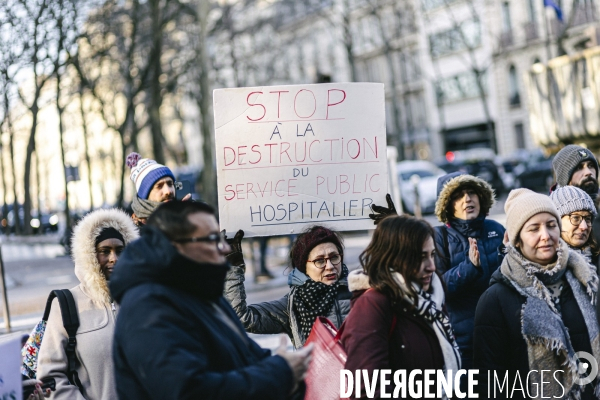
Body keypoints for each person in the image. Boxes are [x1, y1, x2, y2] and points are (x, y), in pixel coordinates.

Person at [110, 201, 312, 399]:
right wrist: (279, 373)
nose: (225, 248)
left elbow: (248, 357)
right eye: (214, 238)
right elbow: (188, 391)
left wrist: (292, 375)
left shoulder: (206, 295)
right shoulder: (146, 307)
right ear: (177, 247)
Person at [474, 188, 600, 399]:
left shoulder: (586, 280)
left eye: (551, 226)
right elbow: (490, 383)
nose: (546, 235)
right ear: (517, 239)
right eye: (534, 229)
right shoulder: (495, 300)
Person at [341, 215, 461, 398]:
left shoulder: (431, 299)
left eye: (432, 255)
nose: (431, 267)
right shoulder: (372, 305)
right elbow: (367, 389)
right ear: (395, 258)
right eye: (421, 257)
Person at [37, 208, 139, 400]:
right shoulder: (67, 305)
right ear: (90, 256)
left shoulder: (142, 299)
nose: (113, 258)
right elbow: (50, 377)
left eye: (119, 250)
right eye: (104, 251)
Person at [224, 225, 351, 349]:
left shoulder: (360, 292)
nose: (329, 266)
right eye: (320, 261)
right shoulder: (293, 306)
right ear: (303, 267)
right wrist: (232, 268)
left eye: (334, 257)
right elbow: (241, 317)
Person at [433, 171, 505, 370]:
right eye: (458, 195)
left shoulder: (496, 230)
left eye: (471, 192)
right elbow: (436, 286)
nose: (467, 199)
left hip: (502, 334)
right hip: (463, 341)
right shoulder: (438, 238)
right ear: (447, 205)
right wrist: (469, 268)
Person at [125, 152, 190, 226]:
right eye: (159, 186)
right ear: (145, 195)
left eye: (170, 184)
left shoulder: (187, 214)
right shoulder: (131, 232)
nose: (168, 191)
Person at [550, 185, 599, 269]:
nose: (584, 227)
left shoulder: (596, 259)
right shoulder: (547, 266)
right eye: (576, 218)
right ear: (556, 222)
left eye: (588, 219)